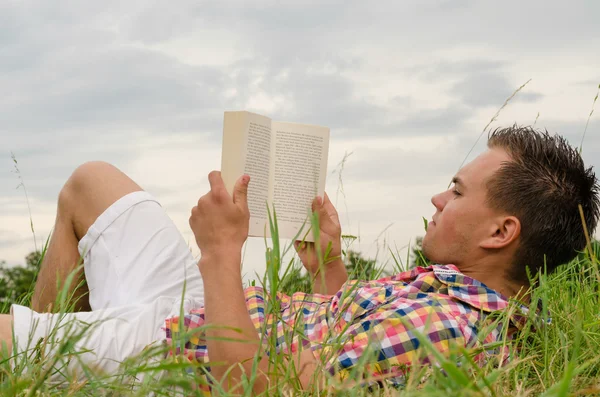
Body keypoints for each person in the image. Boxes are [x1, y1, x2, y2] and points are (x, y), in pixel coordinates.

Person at [1, 126, 598, 394]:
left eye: (458, 192)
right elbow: (328, 336)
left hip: (178, 351)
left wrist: (219, 252)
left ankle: (49, 352)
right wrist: (327, 270)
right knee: (93, 181)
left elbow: (255, 386)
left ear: (501, 232)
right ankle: (47, 364)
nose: (439, 198)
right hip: (202, 313)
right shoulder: (451, 293)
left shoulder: (450, 329)